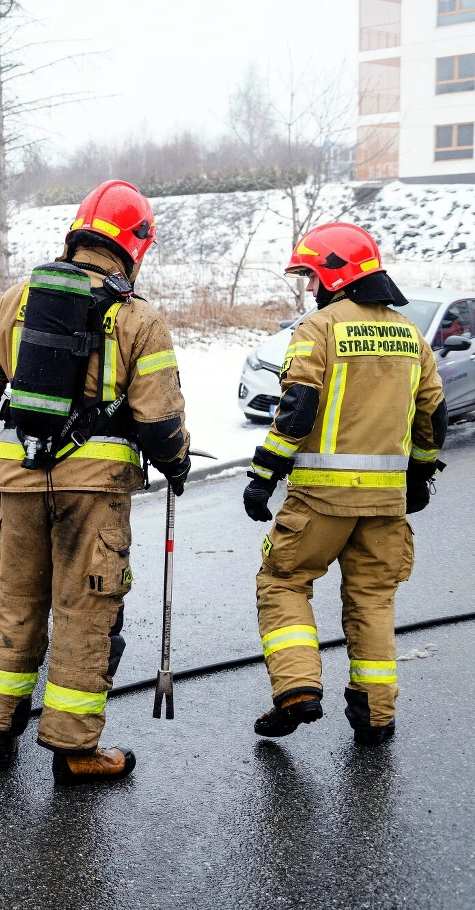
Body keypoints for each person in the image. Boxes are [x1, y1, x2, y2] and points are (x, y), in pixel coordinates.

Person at [0, 180, 192, 784]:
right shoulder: (138, 318)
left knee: (15, 601)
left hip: (17, 481)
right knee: (86, 612)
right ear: (134, 245)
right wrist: (178, 463)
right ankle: (74, 748)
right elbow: (160, 421)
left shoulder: (16, 299)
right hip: (94, 492)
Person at [244, 222, 445, 746]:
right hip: (385, 503)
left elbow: (296, 409)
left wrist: (264, 475)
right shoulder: (410, 335)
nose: (311, 287)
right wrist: (420, 475)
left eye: (313, 275)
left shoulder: (318, 329)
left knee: (282, 582)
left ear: (338, 271)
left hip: (320, 501)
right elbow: (434, 415)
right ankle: (376, 716)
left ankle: (297, 689)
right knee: (373, 601)